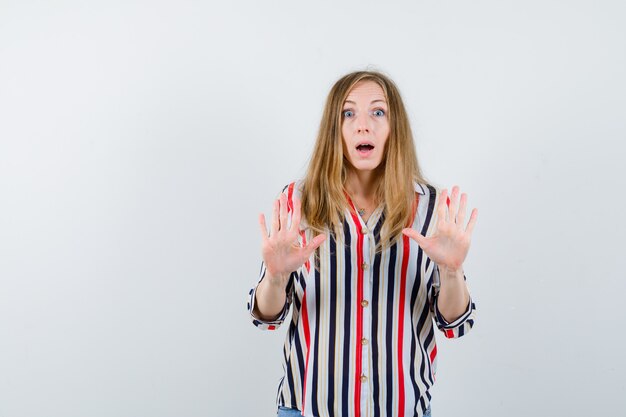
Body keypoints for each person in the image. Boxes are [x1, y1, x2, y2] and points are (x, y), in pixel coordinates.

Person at [247, 70, 478, 417]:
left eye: (378, 112)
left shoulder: (432, 208)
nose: (363, 125)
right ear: (334, 130)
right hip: (310, 407)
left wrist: (451, 271)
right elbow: (267, 317)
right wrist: (275, 277)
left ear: (394, 128)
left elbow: (453, 324)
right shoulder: (299, 201)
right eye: (348, 113)